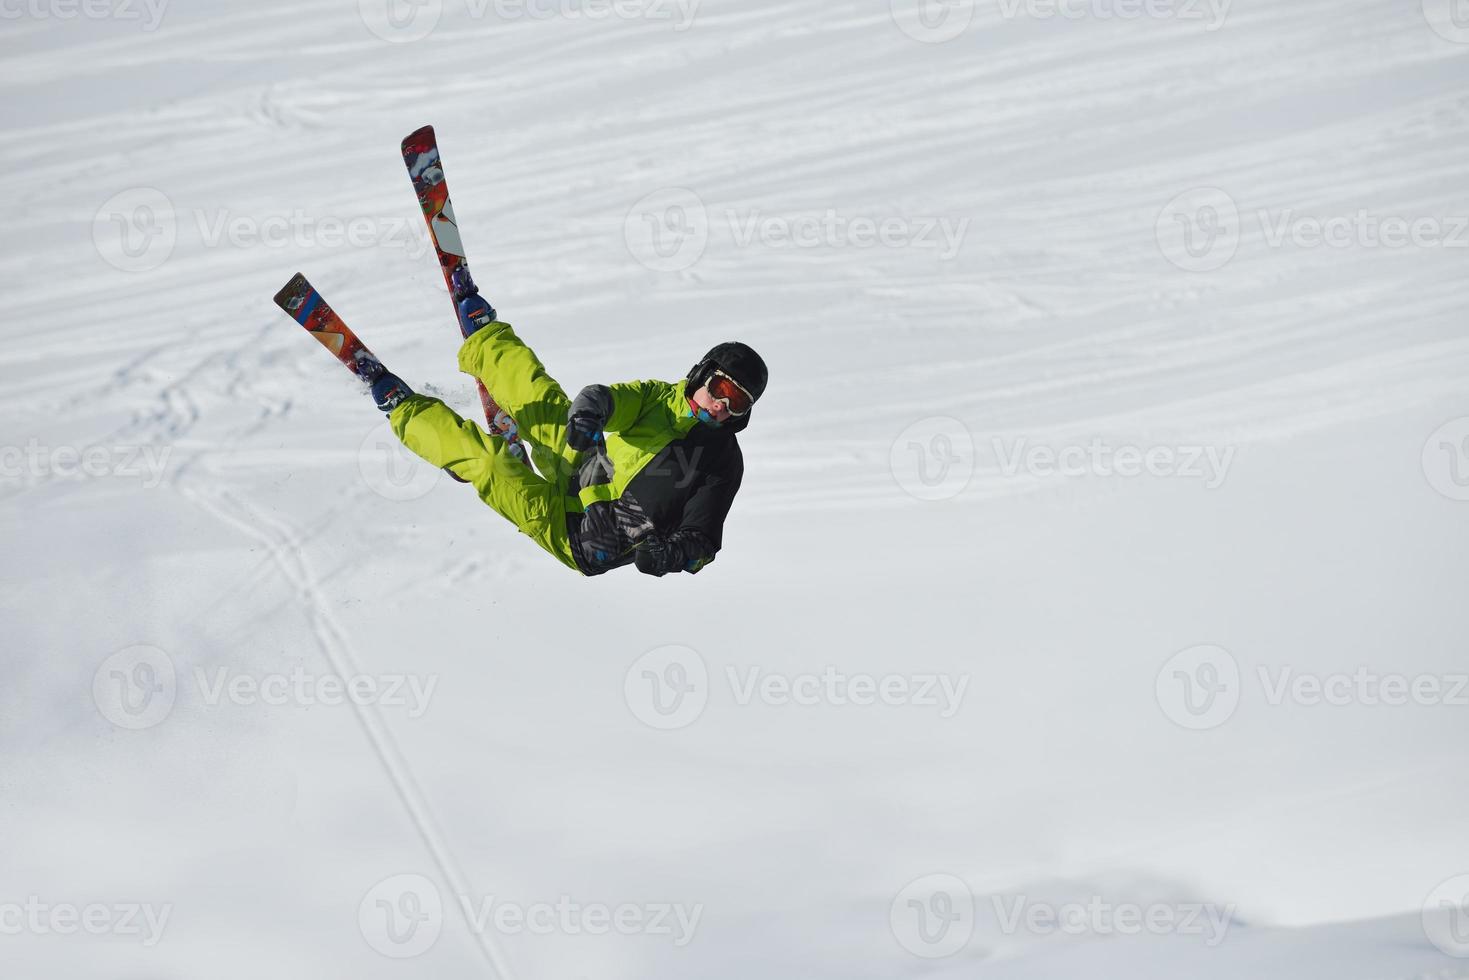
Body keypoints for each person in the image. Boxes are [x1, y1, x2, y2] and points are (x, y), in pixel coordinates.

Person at [358, 283, 767, 578]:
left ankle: (406, 410)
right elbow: (605, 398)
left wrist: (671, 554)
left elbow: (703, 540)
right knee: (551, 408)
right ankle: (485, 337)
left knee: (491, 463)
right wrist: (589, 413)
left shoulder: (721, 461)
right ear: (702, 375)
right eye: (722, 389)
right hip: (585, 477)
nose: (722, 406)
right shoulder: (660, 399)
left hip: (586, 540)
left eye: (738, 403)